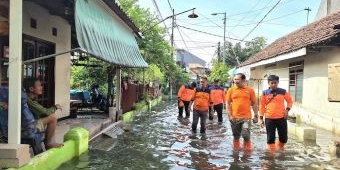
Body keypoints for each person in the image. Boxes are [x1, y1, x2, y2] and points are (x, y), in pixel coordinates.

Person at [23, 78, 64, 149]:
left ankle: (49, 141)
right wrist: (55, 107)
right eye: (39, 85)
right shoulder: (28, 100)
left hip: (24, 125)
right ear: (31, 89)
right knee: (53, 117)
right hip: (26, 127)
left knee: (47, 118)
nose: (41, 87)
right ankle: (48, 143)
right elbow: (45, 112)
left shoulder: (27, 98)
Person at [259, 75, 293, 151]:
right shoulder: (264, 93)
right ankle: (271, 155)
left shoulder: (283, 92)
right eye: (272, 83)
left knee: (284, 138)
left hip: (281, 118)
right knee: (270, 139)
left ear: (278, 83)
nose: (274, 84)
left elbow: (290, 101)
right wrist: (261, 118)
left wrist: (287, 110)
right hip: (269, 119)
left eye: (275, 83)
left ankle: (280, 149)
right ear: (268, 83)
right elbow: (261, 106)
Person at [226, 73, 258, 150]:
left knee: (246, 134)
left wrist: (256, 115)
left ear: (243, 80)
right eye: (235, 79)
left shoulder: (250, 90)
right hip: (234, 117)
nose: (235, 81)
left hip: (246, 117)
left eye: (237, 79)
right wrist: (229, 115)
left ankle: (247, 153)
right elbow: (227, 103)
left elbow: (254, 103)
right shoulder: (231, 90)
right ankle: (236, 151)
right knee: (236, 136)